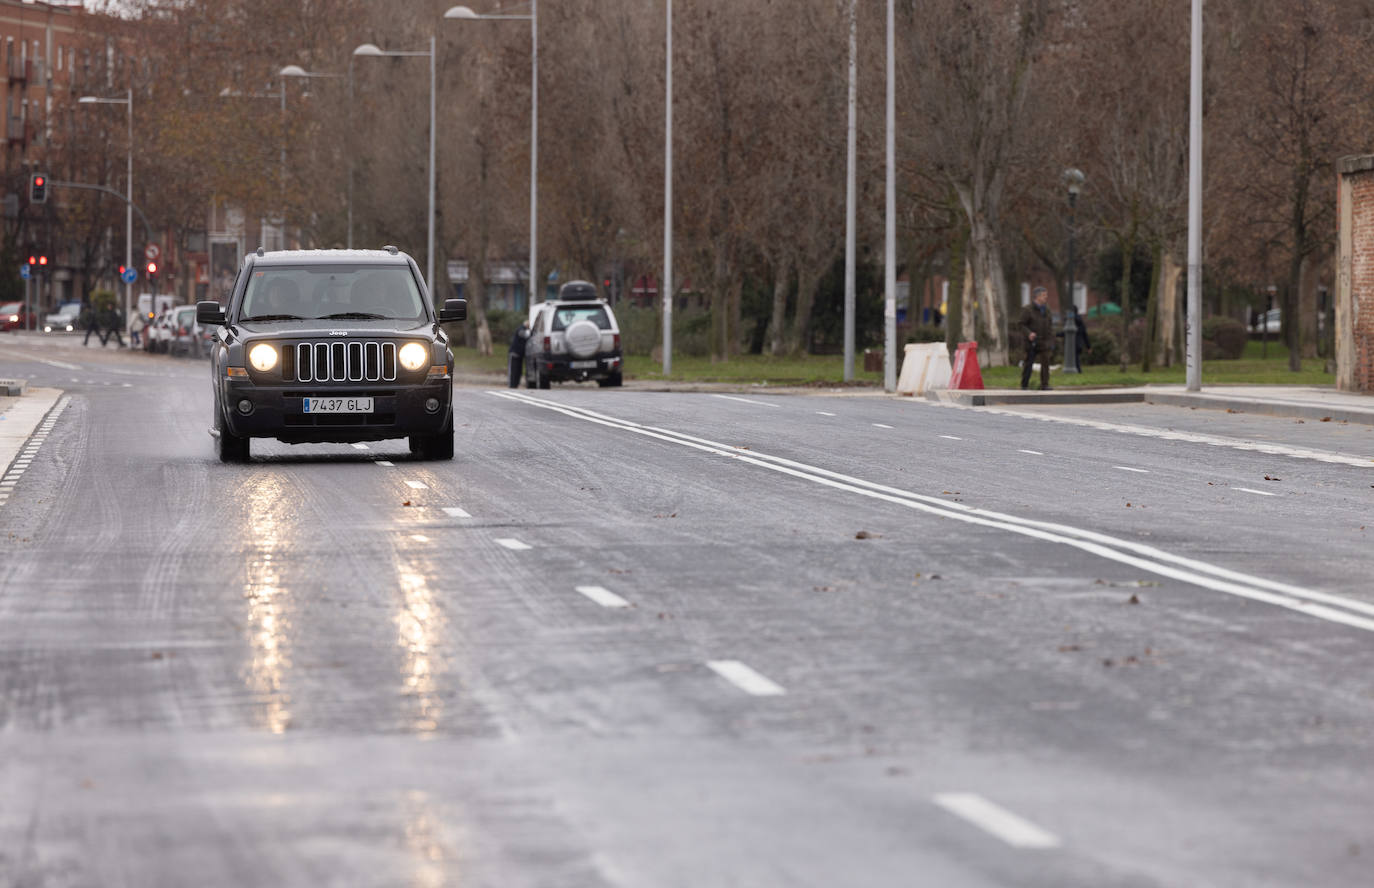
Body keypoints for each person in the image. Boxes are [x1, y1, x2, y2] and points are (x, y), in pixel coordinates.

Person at [1019, 286, 1056, 390]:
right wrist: (1029, 333)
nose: (1046, 297)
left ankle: (1045, 384)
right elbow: (1021, 324)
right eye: (1044, 295)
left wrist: (1051, 339)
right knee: (1028, 364)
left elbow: (1050, 325)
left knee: (1045, 362)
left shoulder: (1047, 309)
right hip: (1031, 342)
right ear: (1037, 296)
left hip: (1044, 341)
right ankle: (1024, 385)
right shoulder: (1027, 310)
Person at [1066, 303, 1090, 372]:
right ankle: (1077, 370)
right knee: (1076, 358)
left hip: (1073, 343)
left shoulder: (1071, 321)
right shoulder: (1081, 321)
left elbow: (1065, 333)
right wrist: (1088, 346)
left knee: (1075, 359)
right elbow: (1085, 334)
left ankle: (1078, 371)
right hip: (1079, 343)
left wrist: (1057, 334)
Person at [508, 319, 530, 388]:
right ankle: (512, 385)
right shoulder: (521, 329)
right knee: (513, 372)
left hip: (520, 355)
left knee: (518, 372)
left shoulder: (524, 329)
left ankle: (515, 385)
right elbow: (527, 335)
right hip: (514, 354)